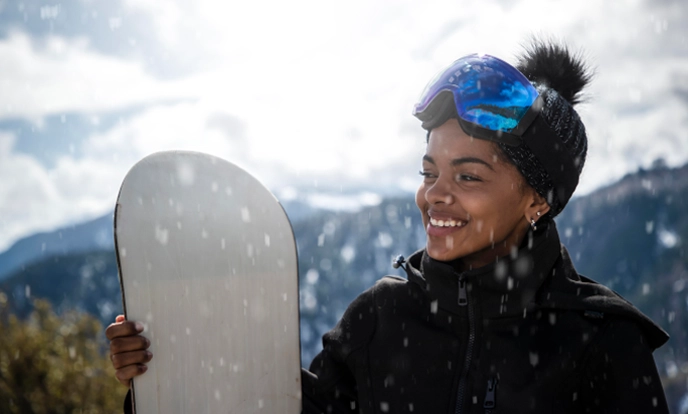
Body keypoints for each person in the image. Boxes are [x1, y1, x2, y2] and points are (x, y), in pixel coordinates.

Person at [107, 39, 670, 413]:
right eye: (429, 172)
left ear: (537, 202)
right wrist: (169, 374)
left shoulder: (603, 343)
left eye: (468, 177)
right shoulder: (380, 317)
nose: (435, 196)